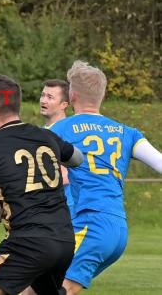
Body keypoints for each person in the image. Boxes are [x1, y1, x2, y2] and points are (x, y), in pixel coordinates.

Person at [0, 74, 83, 295]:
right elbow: (77, 159)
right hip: (64, 240)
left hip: (27, 243)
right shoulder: (46, 136)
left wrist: (1, 212)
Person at [49, 61, 162, 295]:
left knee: (56, 288)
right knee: (41, 285)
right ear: (102, 95)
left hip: (90, 224)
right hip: (118, 231)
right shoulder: (128, 133)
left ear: (72, 95)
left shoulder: (60, 129)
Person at [40, 79, 74, 216]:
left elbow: (69, 175)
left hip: (66, 209)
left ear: (64, 105)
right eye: (42, 95)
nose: (43, 100)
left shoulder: (70, 132)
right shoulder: (42, 132)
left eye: (50, 97)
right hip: (46, 208)